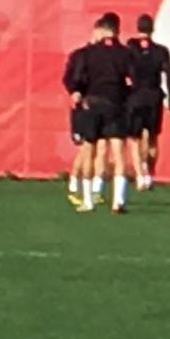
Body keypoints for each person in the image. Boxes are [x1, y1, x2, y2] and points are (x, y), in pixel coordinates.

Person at [64, 14, 136, 214]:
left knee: (89, 151)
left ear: (103, 30)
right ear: (116, 31)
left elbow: (77, 79)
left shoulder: (87, 53)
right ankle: (118, 201)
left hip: (92, 105)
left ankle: (88, 201)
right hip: (115, 105)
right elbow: (133, 80)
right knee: (119, 153)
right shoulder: (125, 54)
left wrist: (77, 91)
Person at [125, 13, 170, 192]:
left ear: (138, 28)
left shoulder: (130, 47)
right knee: (153, 138)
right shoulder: (161, 51)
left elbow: (124, 70)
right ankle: (149, 173)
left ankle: (140, 176)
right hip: (154, 97)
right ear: (152, 29)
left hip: (136, 97)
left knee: (135, 139)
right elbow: (169, 75)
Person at [62, 22, 106, 205]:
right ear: (95, 32)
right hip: (83, 107)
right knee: (86, 148)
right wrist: (74, 91)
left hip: (101, 106)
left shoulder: (107, 57)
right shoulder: (80, 55)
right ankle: (74, 183)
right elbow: (68, 78)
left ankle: (96, 188)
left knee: (101, 147)